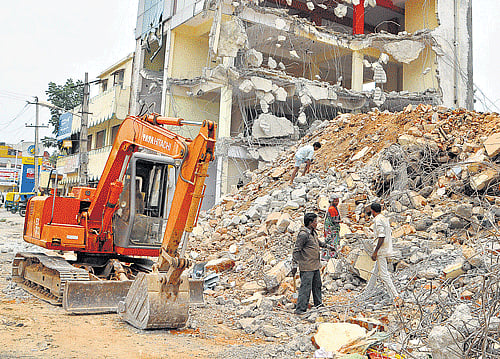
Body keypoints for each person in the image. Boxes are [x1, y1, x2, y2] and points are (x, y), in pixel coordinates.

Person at [361, 203, 400, 304]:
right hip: (385, 248)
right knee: (375, 271)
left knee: (384, 274)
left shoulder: (378, 220)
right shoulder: (384, 218)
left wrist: (376, 251)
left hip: (381, 250)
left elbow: (381, 236)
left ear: (373, 211)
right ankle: (366, 292)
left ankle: (396, 296)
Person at [291, 212, 329, 315]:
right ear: (310, 223)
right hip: (307, 266)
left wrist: (327, 247)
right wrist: (294, 265)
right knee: (305, 288)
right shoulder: (303, 234)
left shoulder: (313, 232)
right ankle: (300, 309)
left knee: (317, 286)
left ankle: (318, 305)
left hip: (315, 265)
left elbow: (318, 242)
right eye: (315, 222)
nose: (317, 223)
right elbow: (296, 250)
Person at [323, 194, 341, 260]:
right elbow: (334, 220)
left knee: (331, 241)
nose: (337, 203)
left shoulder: (333, 208)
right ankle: (330, 256)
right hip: (332, 229)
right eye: (336, 201)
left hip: (331, 229)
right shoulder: (332, 209)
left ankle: (329, 256)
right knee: (332, 242)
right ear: (332, 201)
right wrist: (341, 221)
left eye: (338, 201)